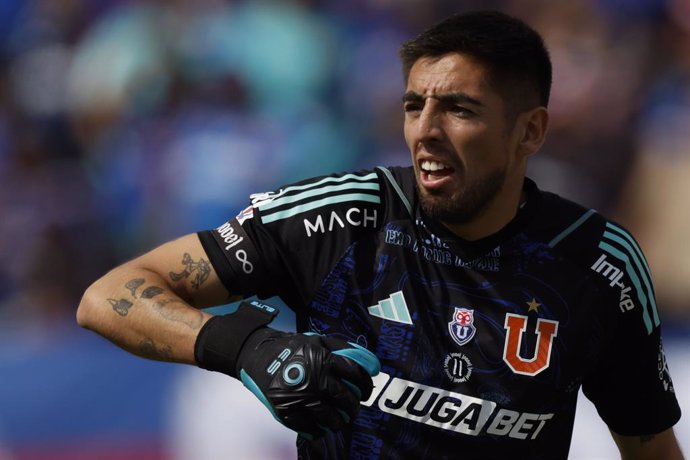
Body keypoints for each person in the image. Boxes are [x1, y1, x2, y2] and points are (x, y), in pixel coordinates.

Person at [76, 10, 684, 460]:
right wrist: (248, 350)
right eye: (413, 104)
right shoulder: (345, 216)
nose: (425, 131)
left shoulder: (596, 264)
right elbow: (109, 296)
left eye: (460, 110)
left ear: (531, 131)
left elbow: (649, 447)